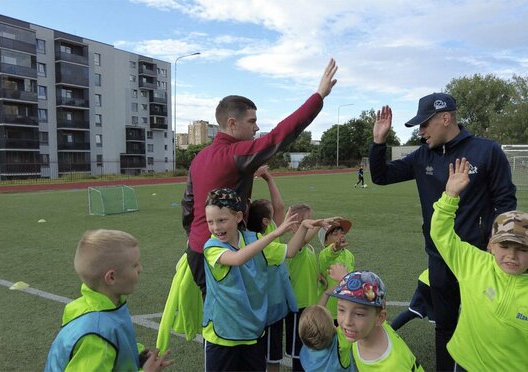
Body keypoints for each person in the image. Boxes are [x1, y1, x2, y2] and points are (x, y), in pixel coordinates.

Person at [368, 93, 517, 370]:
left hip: (479, 258)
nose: (421, 132)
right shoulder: (422, 155)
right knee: (445, 326)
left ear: (445, 118)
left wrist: (495, 243)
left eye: (424, 125)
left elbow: (505, 201)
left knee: (486, 324)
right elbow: (381, 176)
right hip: (439, 258)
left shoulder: (486, 151)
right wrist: (378, 141)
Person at [182, 58, 338, 297]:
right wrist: (319, 96)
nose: (256, 128)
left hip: (198, 249)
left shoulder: (200, 157)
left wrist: (192, 237)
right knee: (230, 323)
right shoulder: (234, 153)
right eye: (252, 121)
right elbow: (277, 138)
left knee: (216, 315)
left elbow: (188, 205)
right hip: (223, 250)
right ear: (232, 123)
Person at [430, 158, 528, 371]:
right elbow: (440, 234)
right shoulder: (473, 263)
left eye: (523, 249)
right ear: (490, 245)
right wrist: (450, 196)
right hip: (464, 364)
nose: (512, 256)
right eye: (504, 246)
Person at [202, 188, 336, 371]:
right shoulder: (212, 247)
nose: (216, 227)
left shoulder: (253, 239)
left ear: (239, 217)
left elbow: (289, 251)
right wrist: (275, 234)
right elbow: (238, 258)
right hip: (222, 336)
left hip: (251, 333)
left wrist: (304, 226)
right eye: (210, 222)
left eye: (222, 220)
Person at [45, 230, 172, 372]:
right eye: (135, 265)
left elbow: (116, 345)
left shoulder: (100, 305)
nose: (140, 269)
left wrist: (137, 356)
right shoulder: (97, 337)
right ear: (111, 277)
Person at [247, 166, 297, 372]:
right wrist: (303, 228)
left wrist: (267, 177)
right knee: (269, 359)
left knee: (265, 356)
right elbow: (292, 251)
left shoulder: (258, 234)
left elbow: (278, 206)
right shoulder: (266, 244)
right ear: (266, 222)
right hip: (268, 308)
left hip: (268, 307)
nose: (277, 211)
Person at [330, 270, 424, 371]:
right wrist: (345, 278)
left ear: (380, 318)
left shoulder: (389, 367)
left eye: (359, 314)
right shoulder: (367, 327)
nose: (347, 321)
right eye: (341, 310)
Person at [284, 203, 327, 371]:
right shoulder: (296, 246)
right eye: (308, 222)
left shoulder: (308, 248)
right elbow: (304, 239)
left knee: (308, 346)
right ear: (296, 225)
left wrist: (318, 276)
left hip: (309, 304)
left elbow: (306, 268)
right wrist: (319, 224)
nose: (312, 224)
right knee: (298, 351)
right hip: (297, 307)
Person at [318, 219, 355, 320]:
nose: (341, 235)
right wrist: (335, 248)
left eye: (342, 232)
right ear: (325, 241)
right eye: (335, 234)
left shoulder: (349, 255)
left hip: (346, 309)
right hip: (329, 311)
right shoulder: (324, 255)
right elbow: (329, 254)